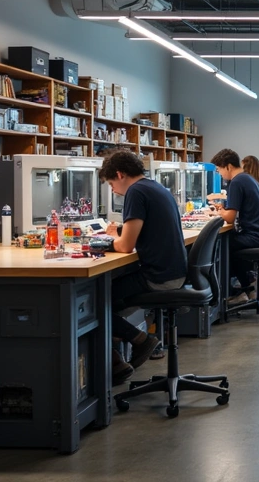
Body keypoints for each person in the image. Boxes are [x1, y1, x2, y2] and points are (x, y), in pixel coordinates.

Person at [100, 150, 185, 385]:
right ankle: (118, 361)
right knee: (110, 298)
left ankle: (140, 341)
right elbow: (143, 232)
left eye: (111, 183)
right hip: (173, 272)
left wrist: (105, 244)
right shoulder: (155, 187)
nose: (113, 189)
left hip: (157, 277)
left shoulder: (135, 192)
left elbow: (126, 247)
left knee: (98, 300)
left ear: (120, 174)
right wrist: (117, 235)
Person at [209, 148, 259, 304]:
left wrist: (219, 213)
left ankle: (229, 294)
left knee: (217, 246)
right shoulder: (248, 179)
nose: (219, 174)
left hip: (255, 236)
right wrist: (224, 211)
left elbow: (230, 218)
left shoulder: (236, 182)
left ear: (228, 167)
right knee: (227, 241)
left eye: (219, 169)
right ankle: (247, 287)